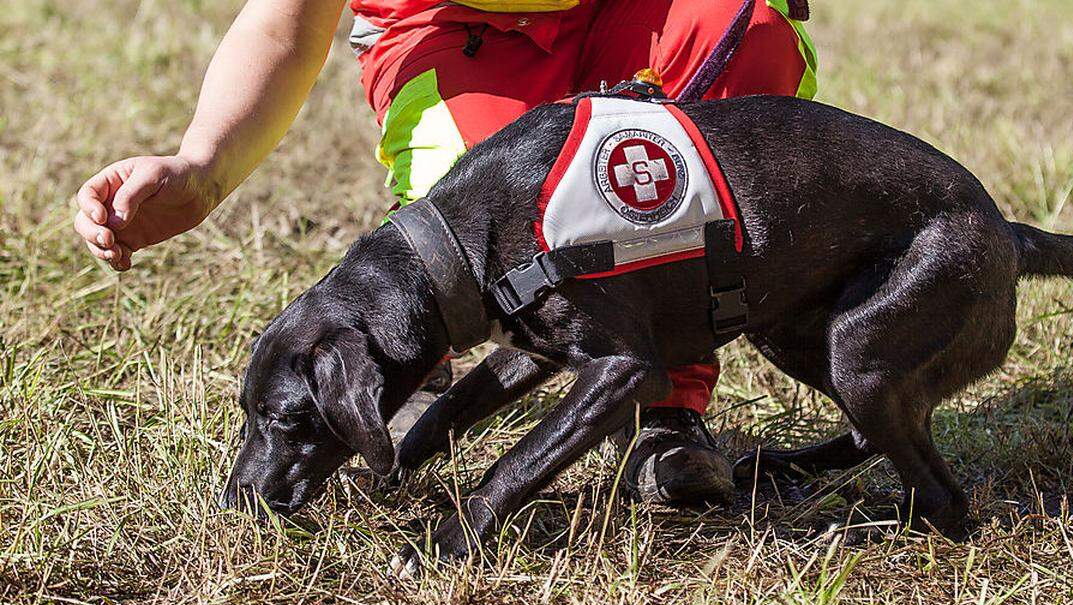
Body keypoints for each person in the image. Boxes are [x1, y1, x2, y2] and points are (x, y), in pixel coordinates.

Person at [72, 0, 818, 505]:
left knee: (744, 39)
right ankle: (417, 366)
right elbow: (282, 25)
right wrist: (201, 167)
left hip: (633, 13)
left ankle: (665, 400)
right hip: (455, 27)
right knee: (473, 206)